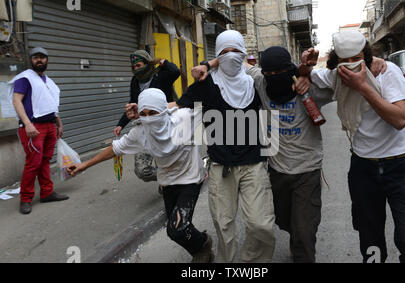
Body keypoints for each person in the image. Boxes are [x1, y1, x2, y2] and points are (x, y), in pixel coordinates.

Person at [191, 46, 387, 263]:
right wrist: (208, 64)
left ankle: (301, 247)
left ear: (290, 70)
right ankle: (295, 235)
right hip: (276, 170)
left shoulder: (310, 88)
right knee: (284, 221)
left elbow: (341, 76)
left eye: (279, 74)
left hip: (307, 171)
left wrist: (373, 61)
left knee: (304, 230)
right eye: (269, 74)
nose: (273, 78)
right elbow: (236, 57)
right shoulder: (260, 82)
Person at [306, 30, 405, 263]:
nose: (352, 65)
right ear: (336, 62)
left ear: (366, 55)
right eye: (345, 61)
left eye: (357, 58)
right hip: (364, 169)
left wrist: (363, 86)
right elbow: (308, 75)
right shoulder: (336, 77)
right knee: (371, 243)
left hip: (400, 167)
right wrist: (306, 65)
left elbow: (399, 120)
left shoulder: (387, 73)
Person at [68, 88, 213, 263]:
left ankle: (202, 248)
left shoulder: (184, 117)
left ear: (164, 110)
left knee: (177, 228)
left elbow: (203, 97)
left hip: (191, 178)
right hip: (167, 181)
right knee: (174, 228)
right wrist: (85, 165)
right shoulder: (140, 132)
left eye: (153, 112)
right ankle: (199, 241)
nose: (149, 118)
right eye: (144, 114)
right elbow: (114, 149)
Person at [171, 30, 276, 263]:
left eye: (236, 51)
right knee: (224, 227)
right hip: (221, 167)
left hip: (254, 164)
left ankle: (251, 264)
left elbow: (282, 83)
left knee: (261, 225)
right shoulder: (206, 83)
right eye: (224, 52)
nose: (231, 56)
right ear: (217, 55)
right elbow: (179, 105)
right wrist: (145, 111)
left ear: (244, 53)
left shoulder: (255, 82)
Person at [10, 47, 69, 215]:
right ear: (31, 60)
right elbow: (16, 101)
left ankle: (47, 192)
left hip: (49, 125)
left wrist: (58, 122)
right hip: (33, 127)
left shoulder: (47, 81)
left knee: (45, 161)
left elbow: (50, 103)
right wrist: (27, 123)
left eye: (42, 57)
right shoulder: (25, 78)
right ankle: (25, 198)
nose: (39, 60)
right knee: (33, 163)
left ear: (47, 60)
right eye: (36, 57)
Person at [114, 50, 181, 183]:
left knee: (167, 161)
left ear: (147, 63)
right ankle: (166, 177)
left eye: (138, 65)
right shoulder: (135, 81)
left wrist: (164, 62)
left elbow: (175, 72)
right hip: (144, 128)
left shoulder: (161, 75)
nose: (136, 69)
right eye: (133, 67)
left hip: (165, 126)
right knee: (142, 170)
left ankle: (169, 183)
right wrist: (121, 124)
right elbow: (134, 103)